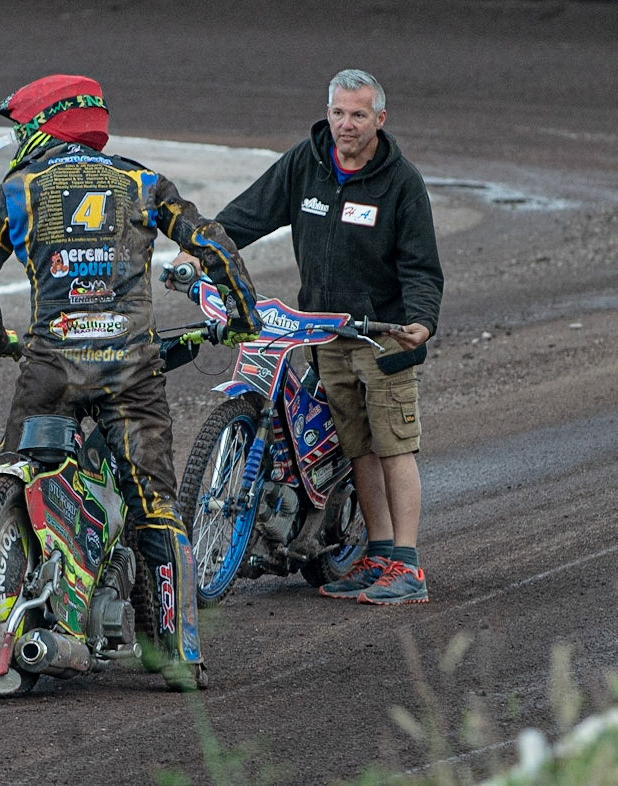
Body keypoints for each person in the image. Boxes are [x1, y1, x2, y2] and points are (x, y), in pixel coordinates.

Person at [0, 74, 263, 690]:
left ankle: (26, 611)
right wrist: (244, 316)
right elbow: (213, 245)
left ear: (47, 123)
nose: (17, 139)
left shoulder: (17, 189)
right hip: (129, 370)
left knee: (20, 473)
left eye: (21, 127)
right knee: (155, 506)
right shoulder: (142, 182)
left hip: (49, 367)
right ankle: (179, 654)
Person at [172, 68, 443, 605]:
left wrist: (421, 320)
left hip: (381, 334)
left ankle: (407, 567)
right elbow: (250, 212)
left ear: (380, 119)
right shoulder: (308, 161)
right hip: (323, 331)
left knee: (393, 447)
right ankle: (377, 555)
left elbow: (421, 266)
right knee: (358, 447)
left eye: (358, 115)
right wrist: (199, 251)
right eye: (338, 112)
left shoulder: (400, 181)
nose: (346, 124)